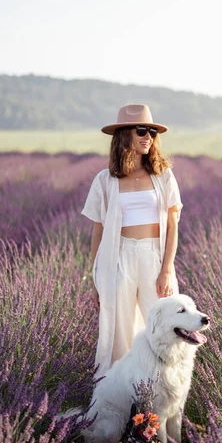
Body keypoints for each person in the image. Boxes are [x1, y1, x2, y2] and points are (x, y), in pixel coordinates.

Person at [81, 104, 183, 376]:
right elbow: (98, 232)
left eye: (151, 131)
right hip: (119, 257)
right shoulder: (105, 180)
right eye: (141, 130)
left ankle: (159, 395)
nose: (148, 136)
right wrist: (97, 279)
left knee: (161, 324)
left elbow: (173, 226)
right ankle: (118, 396)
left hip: (154, 257)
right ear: (125, 135)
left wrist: (167, 269)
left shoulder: (164, 176)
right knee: (119, 329)